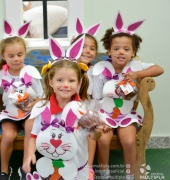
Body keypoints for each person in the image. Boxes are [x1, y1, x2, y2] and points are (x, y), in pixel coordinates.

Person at [23, 36, 109, 180]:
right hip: (53, 169)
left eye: (71, 81)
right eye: (60, 80)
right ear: (50, 82)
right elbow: (33, 135)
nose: (65, 85)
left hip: (78, 169)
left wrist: (97, 131)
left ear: (79, 83)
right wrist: (29, 154)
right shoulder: (43, 109)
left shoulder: (82, 109)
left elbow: (92, 137)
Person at [92, 12, 164, 180]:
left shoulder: (135, 66)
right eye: (116, 49)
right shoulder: (101, 69)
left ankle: (130, 175)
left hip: (126, 114)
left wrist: (138, 74)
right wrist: (100, 120)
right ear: (109, 51)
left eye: (126, 49)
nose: (121, 52)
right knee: (103, 140)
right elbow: (95, 98)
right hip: (104, 115)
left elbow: (159, 69)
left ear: (133, 52)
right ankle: (104, 173)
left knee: (129, 142)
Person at [0, 20, 44, 180]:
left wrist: (32, 105)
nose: (16, 59)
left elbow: (42, 96)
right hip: (10, 113)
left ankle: (26, 167)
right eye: (11, 56)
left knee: (31, 128)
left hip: (29, 112)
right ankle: (4, 170)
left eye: (19, 55)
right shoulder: (2, 75)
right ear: (3, 56)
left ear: (25, 54)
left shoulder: (31, 72)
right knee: (8, 135)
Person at [71, 18, 101, 180]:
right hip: (69, 107)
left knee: (90, 126)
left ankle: (88, 166)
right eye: (83, 47)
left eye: (92, 48)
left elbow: (96, 96)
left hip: (88, 107)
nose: (88, 51)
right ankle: (66, 164)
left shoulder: (96, 70)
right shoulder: (68, 68)